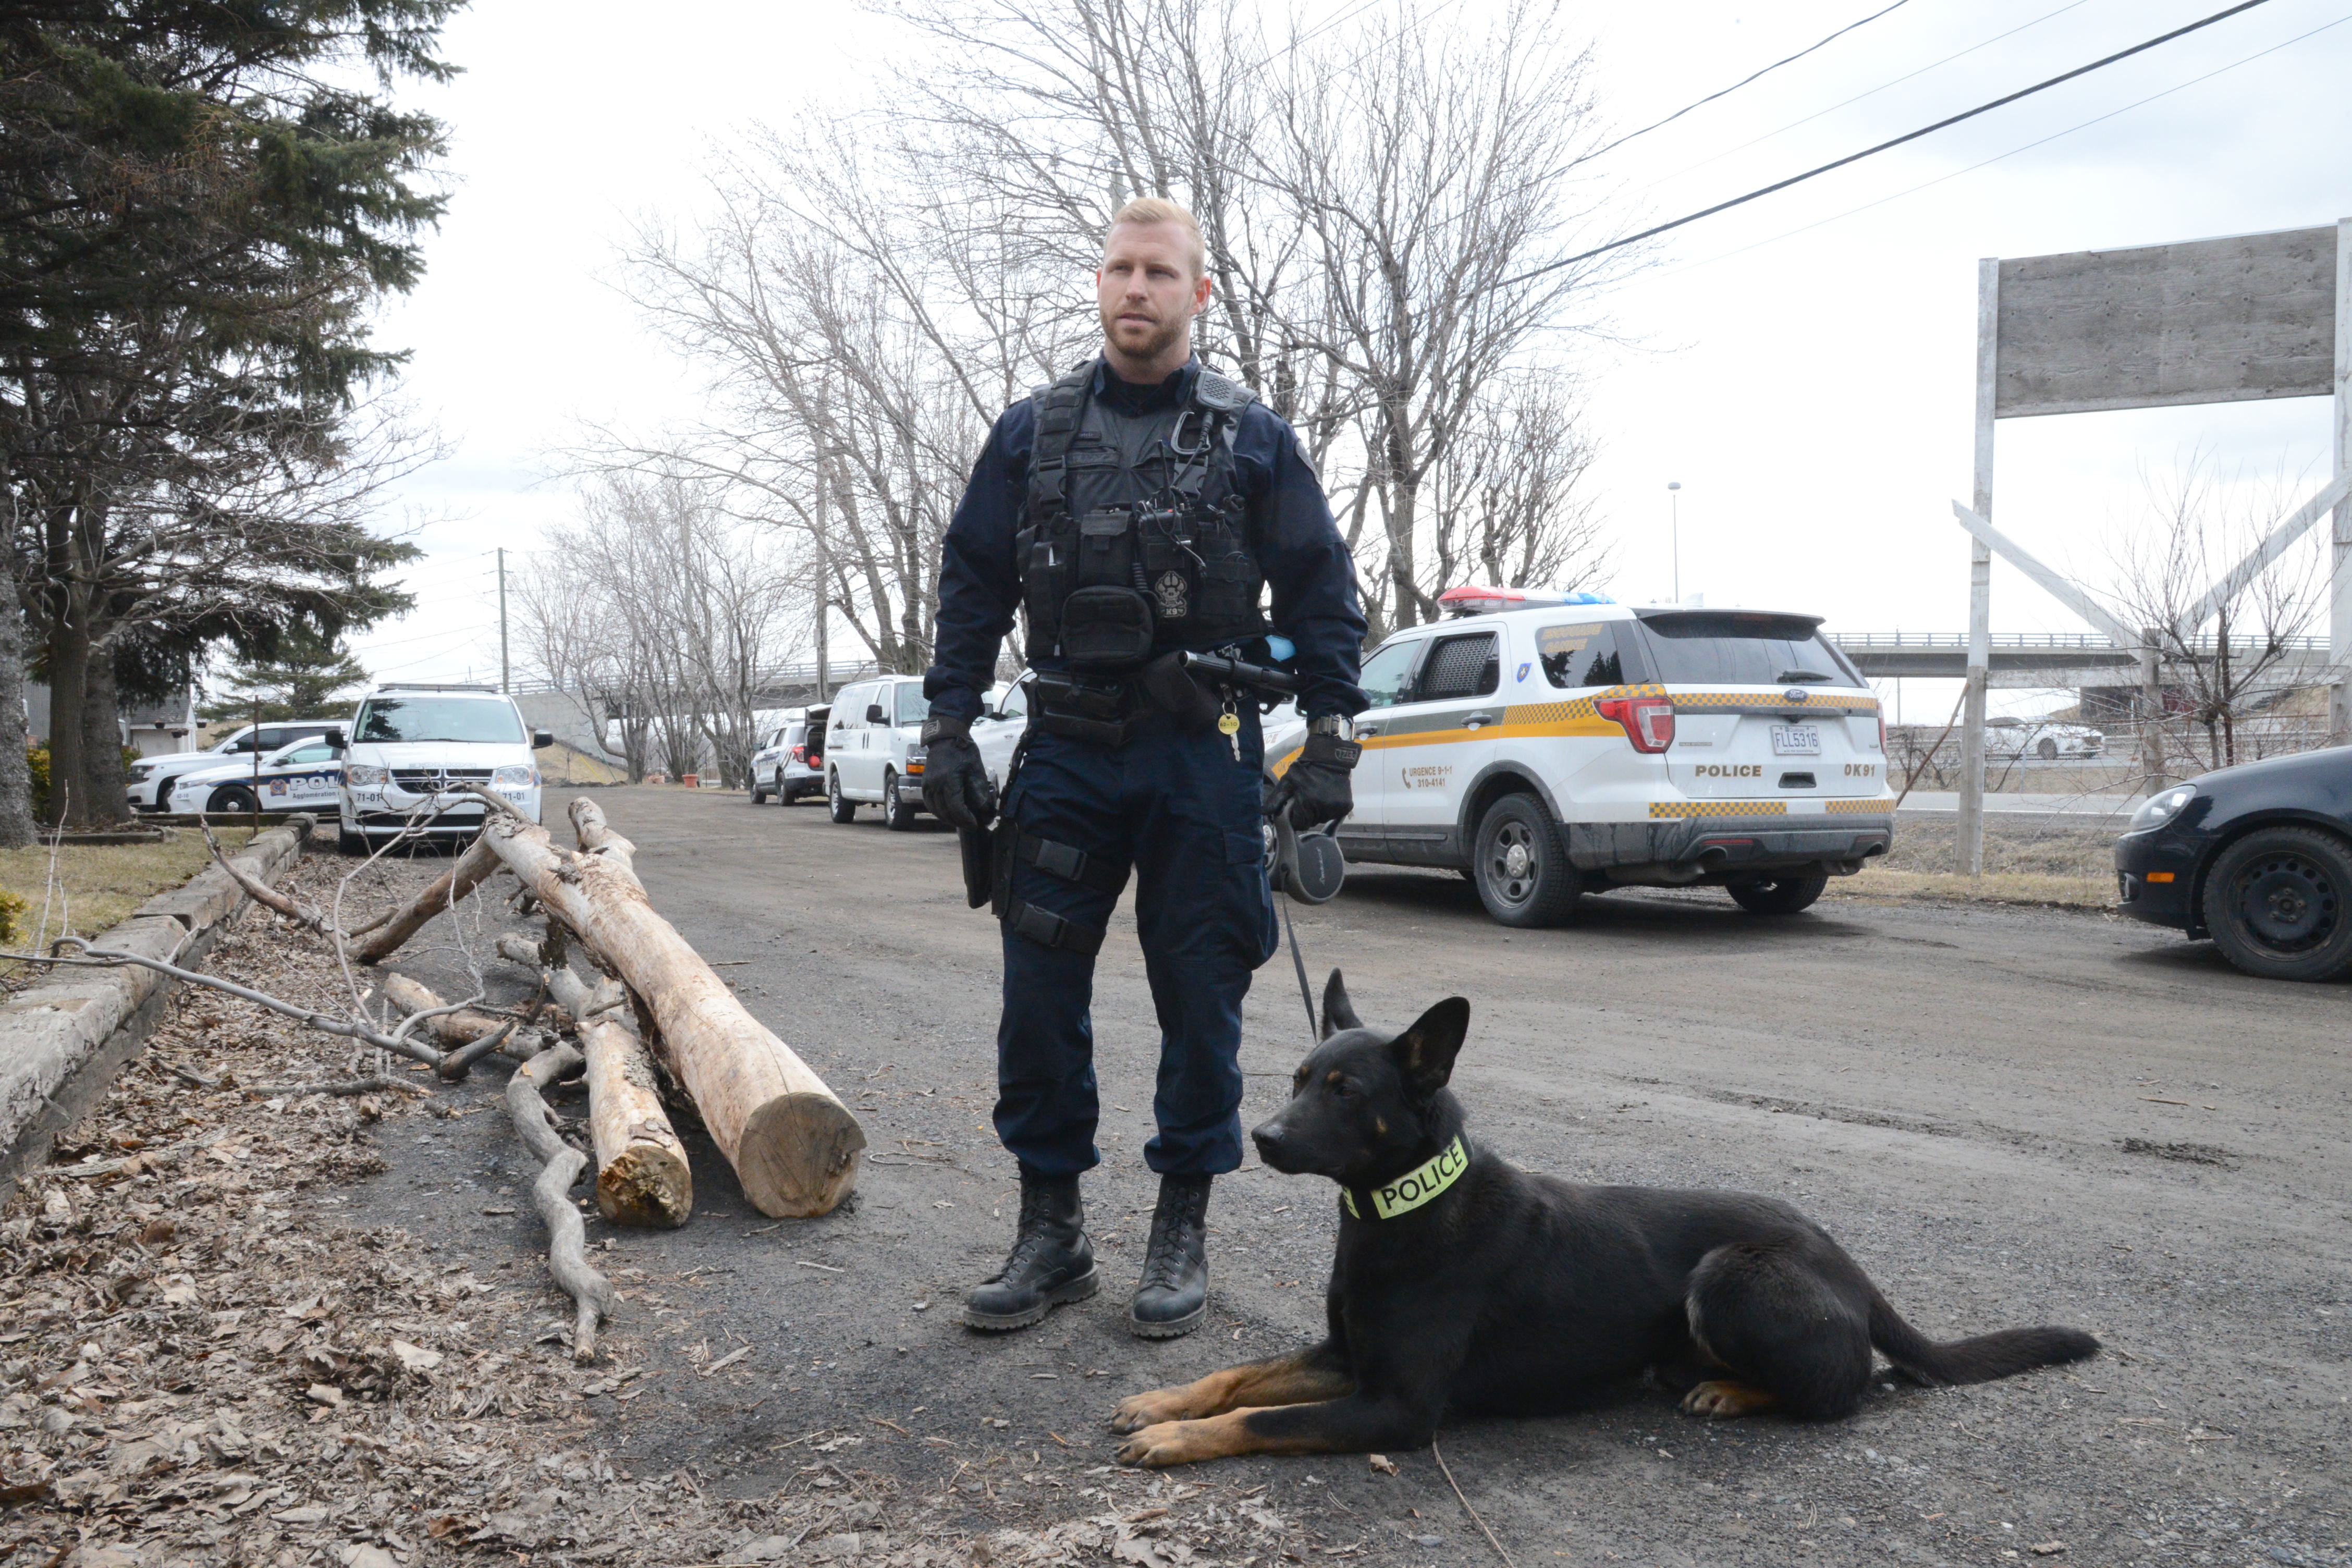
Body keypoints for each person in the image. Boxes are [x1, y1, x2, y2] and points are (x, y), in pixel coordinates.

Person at [920, 197, 1367, 1339]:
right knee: (1037, 1001)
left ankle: (1181, 1228)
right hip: (1067, 751)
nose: (1136, 288)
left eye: (1160, 273)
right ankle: (1052, 1231)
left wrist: (1331, 739)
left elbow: (1322, 593)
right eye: (1120, 268)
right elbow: (973, 583)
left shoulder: (1251, 438)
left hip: (1197, 755)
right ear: (1100, 281)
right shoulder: (1030, 435)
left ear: (1198, 293)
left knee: (1201, 1000)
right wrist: (947, 726)